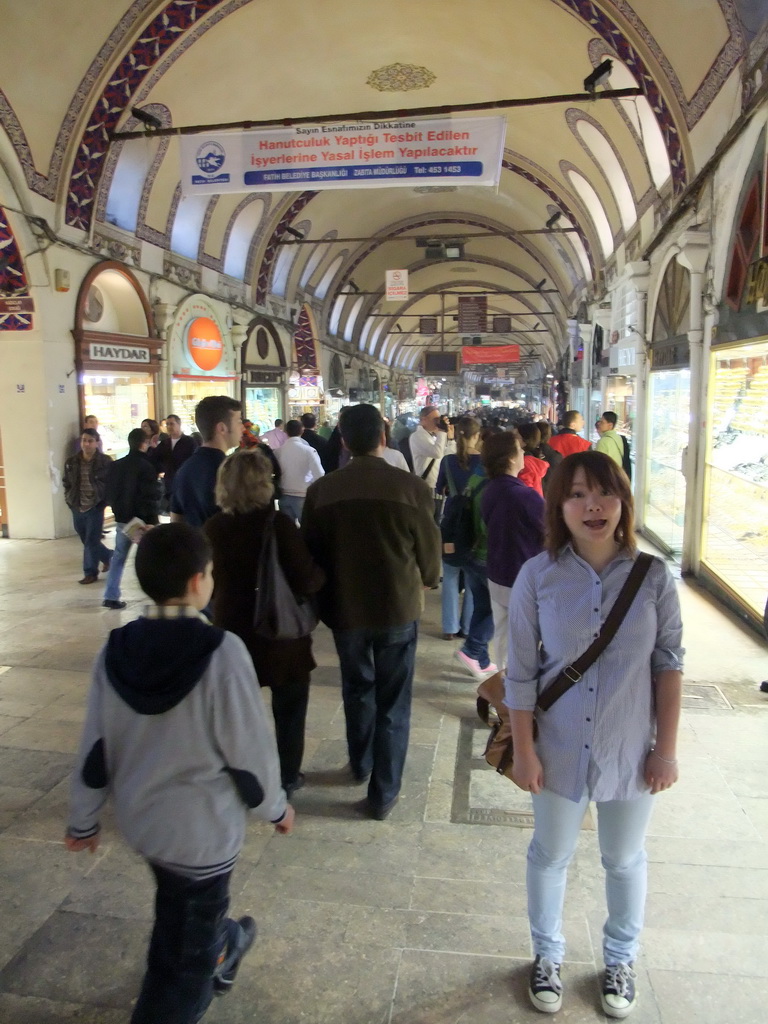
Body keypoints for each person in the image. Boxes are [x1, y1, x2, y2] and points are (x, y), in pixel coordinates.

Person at [64, 522, 295, 1024]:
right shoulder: (222, 652)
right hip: (204, 836)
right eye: (210, 572)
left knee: (182, 910)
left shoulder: (116, 648)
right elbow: (250, 754)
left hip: (145, 825)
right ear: (197, 582)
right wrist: (275, 806)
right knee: (180, 972)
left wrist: (83, 819)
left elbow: (94, 748)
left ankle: (222, 941)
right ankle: (211, 952)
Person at [505, 451, 683, 1018]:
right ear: (559, 504)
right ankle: (547, 955)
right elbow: (520, 674)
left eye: (605, 493)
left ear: (624, 502)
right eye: (578, 494)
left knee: (624, 858)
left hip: (628, 747)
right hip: (555, 747)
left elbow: (670, 664)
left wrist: (667, 750)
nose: (593, 505)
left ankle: (620, 959)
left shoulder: (653, 577)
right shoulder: (539, 576)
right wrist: (524, 751)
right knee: (550, 853)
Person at [302, 404, 441, 820]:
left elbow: (309, 553)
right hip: (397, 606)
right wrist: (427, 578)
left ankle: (360, 763)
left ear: (343, 440)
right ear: (383, 437)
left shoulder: (322, 491)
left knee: (357, 688)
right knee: (393, 700)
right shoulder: (411, 489)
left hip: (344, 609)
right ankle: (384, 793)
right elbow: (430, 558)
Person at [204, 449, 325, 797]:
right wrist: (321, 574)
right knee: (289, 709)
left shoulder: (213, 528)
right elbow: (304, 579)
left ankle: (242, 776)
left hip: (232, 632)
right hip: (280, 635)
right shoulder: (279, 525)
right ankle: (287, 777)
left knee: (237, 714)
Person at [480, 431, 545, 673]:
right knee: (524, 642)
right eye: (520, 451)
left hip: (497, 573)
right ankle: (516, 696)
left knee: (503, 636)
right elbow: (552, 530)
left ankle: (504, 691)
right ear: (509, 459)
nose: (524, 456)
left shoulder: (491, 490)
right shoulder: (523, 495)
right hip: (521, 577)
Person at [435, 415, 482, 640]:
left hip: (452, 524)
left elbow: (439, 487)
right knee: (472, 577)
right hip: (476, 525)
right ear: (477, 436)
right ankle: (468, 627)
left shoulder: (447, 461)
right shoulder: (485, 463)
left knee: (451, 574)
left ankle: (449, 627)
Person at [103, 427, 160, 610]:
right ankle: (159, 596)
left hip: (123, 520)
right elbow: (150, 496)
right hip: (142, 522)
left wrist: (119, 512)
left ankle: (111, 595)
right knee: (151, 559)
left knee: (119, 556)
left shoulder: (116, 466)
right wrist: (152, 521)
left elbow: (110, 493)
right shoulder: (147, 467)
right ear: (145, 443)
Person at [171, 396, 242, 528]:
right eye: (238, 421)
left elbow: (176, 520)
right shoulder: (230, 471)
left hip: (195, 546)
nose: (242, 427)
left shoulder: (184, 470)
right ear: (222, 428)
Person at [63, 427, 113, 584]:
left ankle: (90, 572)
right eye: (84, 440)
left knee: (91, 540)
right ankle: (107, 556)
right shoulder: (72, 462)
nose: (86, 444)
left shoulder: (105, 462)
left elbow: (110, 484)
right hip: (77, 505)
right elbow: (67, 482)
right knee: (86, 538)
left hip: (95, 506)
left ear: (97, 443)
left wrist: (104, 501)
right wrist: (69, 499)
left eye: (90, 441)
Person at [274, 419, 324, 523]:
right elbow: (319, 474)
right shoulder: (309, 451)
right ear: (302, 431)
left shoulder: (278, 452)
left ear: (285, 432)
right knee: (306, 531)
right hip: (303, 495)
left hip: (283, 495)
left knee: (288, 531)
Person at [160, 414, 198, 510]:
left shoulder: (189, 442)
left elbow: (193, 461)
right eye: (167, 424)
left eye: (172, 424)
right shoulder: (165, 443)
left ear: (179, 424)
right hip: (169, 481)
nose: (169, 427)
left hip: (185, 481)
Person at [409, 405, 452, 490]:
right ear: (424, 420)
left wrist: (450, 439)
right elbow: (437, 453)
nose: (438, 423)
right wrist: (442, 432)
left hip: (438, 484)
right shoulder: (417, 436)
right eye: (436, 420)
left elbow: (447, 455)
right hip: (427, 486)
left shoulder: (434, 436)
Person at [516, 423, 549, 497]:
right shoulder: (533, 459)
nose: (511, 440)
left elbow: (525, 492)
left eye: (515, 437)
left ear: (525, 442)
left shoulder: (525, 462)